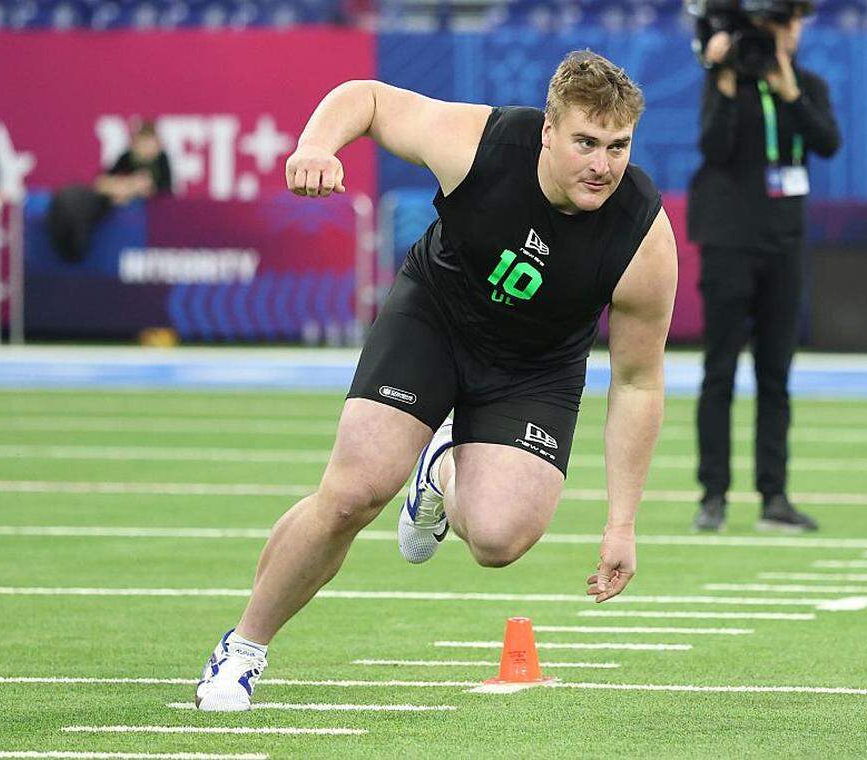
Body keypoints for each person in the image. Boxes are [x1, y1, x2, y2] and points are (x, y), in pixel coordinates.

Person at [194, 50, 677, 712]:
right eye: (586, 143)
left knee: (500, 539)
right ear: (548, 131)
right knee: (351, 495)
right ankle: (242, 650)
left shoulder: (642, 235)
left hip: (534, 368)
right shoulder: (481, 142)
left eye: (617, 146)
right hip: (436, 321)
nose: (602, 165)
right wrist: (315, 145)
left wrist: (622, 523)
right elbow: (364, 96)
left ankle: (439, 467)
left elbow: (639, 382)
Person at [687, 2, 840, 533]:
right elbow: (714, 148)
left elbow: (827, 142)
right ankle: (713, 496)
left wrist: (789, 89)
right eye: (773, 25)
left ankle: (774, 496)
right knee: (720, 372)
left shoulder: (808, 85)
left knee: (776, 375)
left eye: (789, 25)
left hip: (784, 243)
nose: (780, 35)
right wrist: (722, 76)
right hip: (729, 241)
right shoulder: (727, 83)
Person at [46, 118, 171, 262]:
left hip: (152, 230)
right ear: (134, 143)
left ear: (158, 144)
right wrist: (126, 187)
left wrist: (133, 189)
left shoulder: (162, 161)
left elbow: (162, 191)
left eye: (149, 143)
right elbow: (102, 182)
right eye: (141, 142)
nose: (145, 148)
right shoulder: (126, 157)